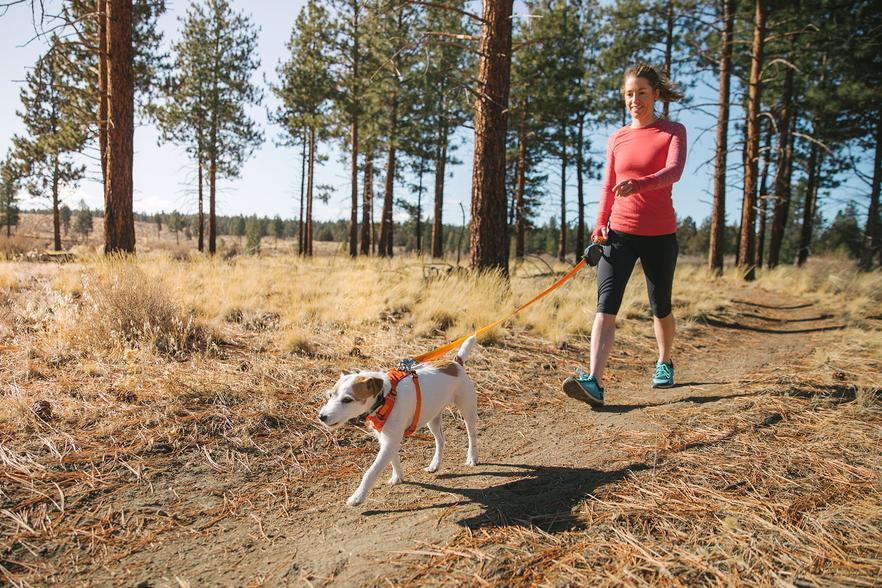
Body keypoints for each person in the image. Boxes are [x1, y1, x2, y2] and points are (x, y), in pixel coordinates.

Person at [563, 63, 686, 407]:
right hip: (619, 233)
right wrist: (600, 222)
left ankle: (664, 361)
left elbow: (673, 171)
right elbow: (608, 185)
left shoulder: (672, 131)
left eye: (642, 93)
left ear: (655, 95)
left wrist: (640, 184)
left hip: (660, 233)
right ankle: (595, 382)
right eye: (630, 94)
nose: (635, 100)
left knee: (660, 305)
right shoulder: (617, 137)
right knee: (606, 305)